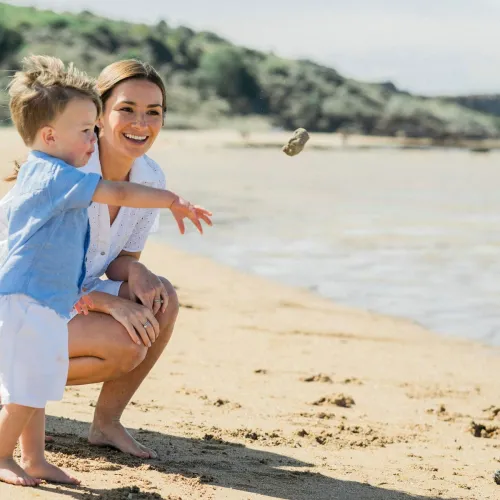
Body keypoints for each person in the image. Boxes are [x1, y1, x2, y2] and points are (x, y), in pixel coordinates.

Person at [0, 55, 212, 487]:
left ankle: (71, 440)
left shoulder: (144, 174)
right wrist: (173, 201)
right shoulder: (64, 170)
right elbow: (45, 256)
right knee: (40, 370)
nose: (141, 122)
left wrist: (135, 273)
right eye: (127, 109)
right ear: (99, 115)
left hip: (52, 297)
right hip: (22, 298)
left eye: (154, 112)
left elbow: (112, 255)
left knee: (159, 296)